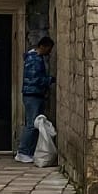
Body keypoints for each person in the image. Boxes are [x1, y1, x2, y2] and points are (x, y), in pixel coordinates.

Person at [15, 35, 56, 164]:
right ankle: (23, 152)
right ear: (43, 46)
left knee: (33, 124)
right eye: (49, 49)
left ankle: (28, 151)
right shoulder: (35, 60)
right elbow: (36, 79)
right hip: (32, 95)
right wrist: (50, 80)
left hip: (33, 95)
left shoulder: (34, 58)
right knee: (32, 125)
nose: (49, 52)